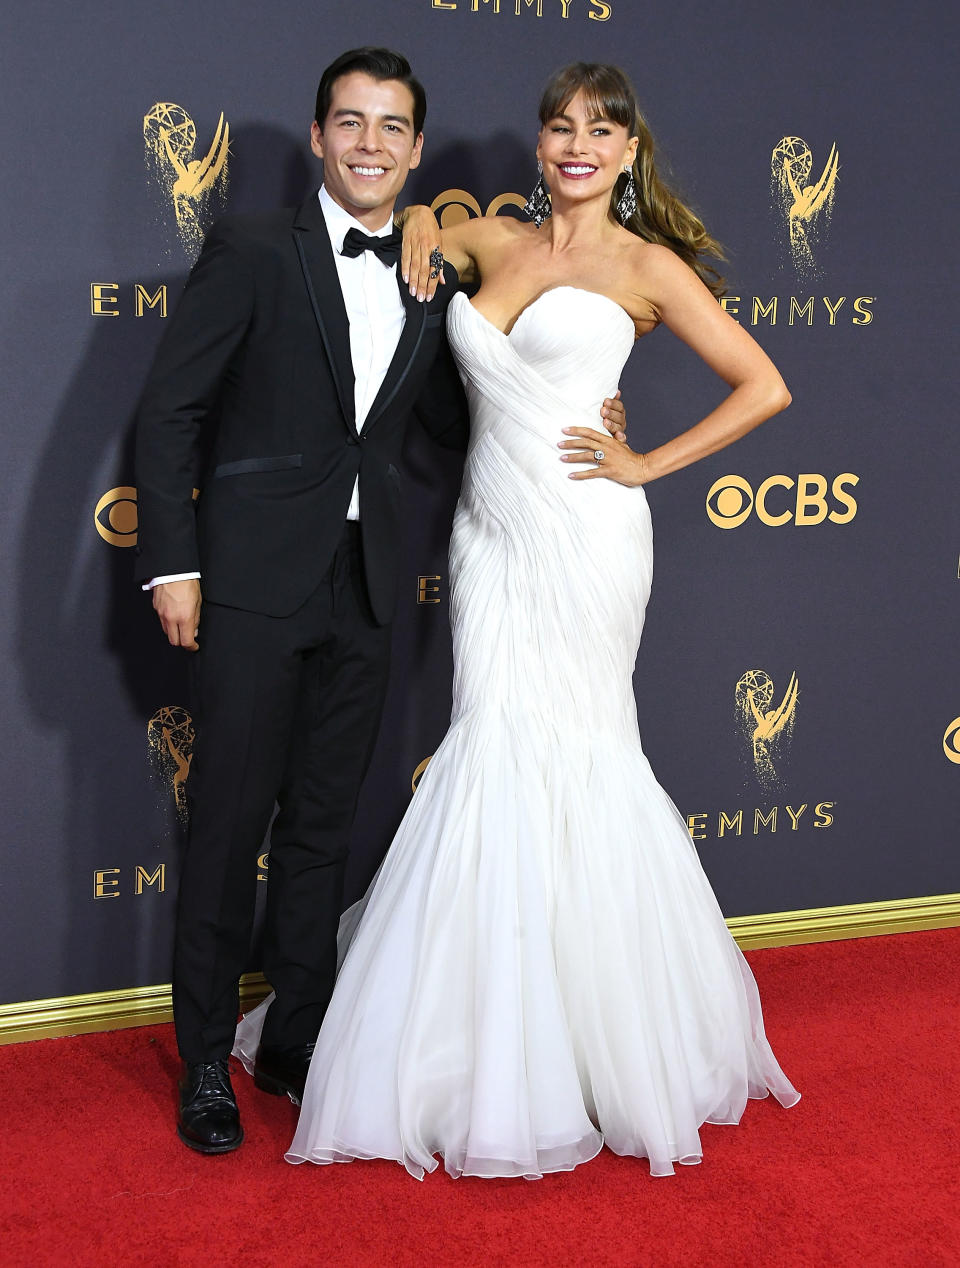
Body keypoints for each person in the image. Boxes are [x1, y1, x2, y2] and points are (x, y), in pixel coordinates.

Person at [235, 61, 799, 1179]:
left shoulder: (648, 264)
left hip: (588, 537)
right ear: (539, 146)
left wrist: (645, 461)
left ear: (631, 152)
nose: (577, 143)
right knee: (489, 749)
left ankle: (602, 1043)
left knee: (581, 753)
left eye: (602, 128)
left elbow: (764, 385)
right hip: (487, 544)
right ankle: (488, 1038)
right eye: (559, 126)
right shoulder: (488, 239)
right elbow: (415, 259)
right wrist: (413, 246)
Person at [135, 48, 627, 1155]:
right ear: (319, 138)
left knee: (320, 830)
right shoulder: (254, 247)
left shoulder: (433, 275)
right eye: (349, 123)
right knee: (226, 827)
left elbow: (456, 423)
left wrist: (582, 415)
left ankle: (297, 1040)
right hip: (253, 582)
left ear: (414, 147)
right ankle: (207, 1059)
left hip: (368, 587)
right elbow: (171, 413)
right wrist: (174, 564)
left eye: (391, 127)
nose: (369, 144)